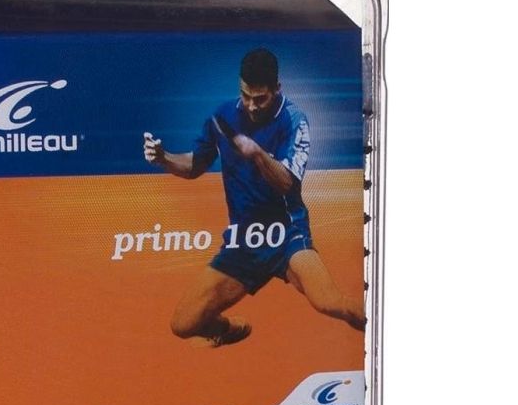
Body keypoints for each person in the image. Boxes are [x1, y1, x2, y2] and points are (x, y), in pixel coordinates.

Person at [143, 48, 365, 346]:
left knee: (329, 302)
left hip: (286, 234)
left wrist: (258, 155)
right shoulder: (222, 117)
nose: (251, 106)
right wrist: (164, 158)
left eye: (260, 99)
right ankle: (229, 330)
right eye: (245, 96)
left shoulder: (294, 120)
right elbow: (195, 166)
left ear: (277, 89)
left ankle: (382, 328)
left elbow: (287, 183)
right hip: (245, 240)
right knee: (183, 323)